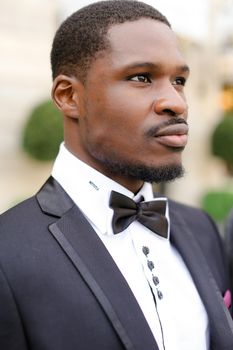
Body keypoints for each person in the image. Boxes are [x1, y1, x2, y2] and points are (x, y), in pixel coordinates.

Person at [0, 1, 233, 349]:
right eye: (141, 77)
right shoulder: (8, 253)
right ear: (69, 97)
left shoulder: (201, 229)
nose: (177, 102)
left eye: (180, 80)